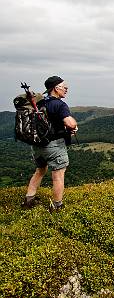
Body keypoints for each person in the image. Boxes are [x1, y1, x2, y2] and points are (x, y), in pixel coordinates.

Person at [21, 76, 78, 212]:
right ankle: (57, 206)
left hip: (37, 145)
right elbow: (70, 123)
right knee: (58, 176)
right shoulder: (59, 104)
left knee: (40, 170)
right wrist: (74, 125)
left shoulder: (39, 103)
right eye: (64, 87)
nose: (66, 89)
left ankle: (29, 200)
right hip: (54, 145)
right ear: (56, 88)